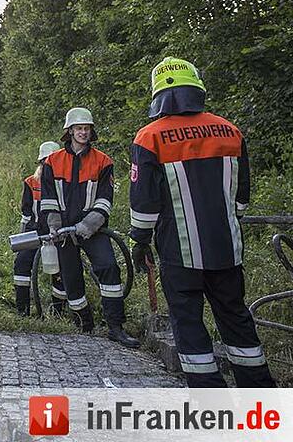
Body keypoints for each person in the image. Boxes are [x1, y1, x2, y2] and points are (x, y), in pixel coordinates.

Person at [129, 57, 274, 387]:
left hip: (179, 255)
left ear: (159, 97)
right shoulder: (230, 131)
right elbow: (241, 199)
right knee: (237, 322)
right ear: (196, 88)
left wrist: (140, 239)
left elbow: (145, 203)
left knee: (190, 327)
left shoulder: (149, 138)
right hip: (227, 250)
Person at [40, 107, 139, 347]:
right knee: (71, 278)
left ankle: (115, 326)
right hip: (63, 230)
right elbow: (49, 199)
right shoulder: (53, 162)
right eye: (79, 128)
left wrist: (86, 226)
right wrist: (54, 226)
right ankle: (84, 323)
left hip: (93, 228)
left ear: (91, 131)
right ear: (70, 131)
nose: (83, 132)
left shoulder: (103, 162)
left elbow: (105, 201)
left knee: (109, 268)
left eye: (87, 128)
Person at [14, 141, 66, 315]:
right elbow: (26, 212)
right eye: (45, 162)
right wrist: (23, 236)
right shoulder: (31, 182)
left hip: (58, 233)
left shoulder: (65, 183)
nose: (49, 165)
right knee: (21, 263)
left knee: (61, 269)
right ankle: (23, 310)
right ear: (41, 163)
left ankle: (58, 311)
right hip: (35, 232)